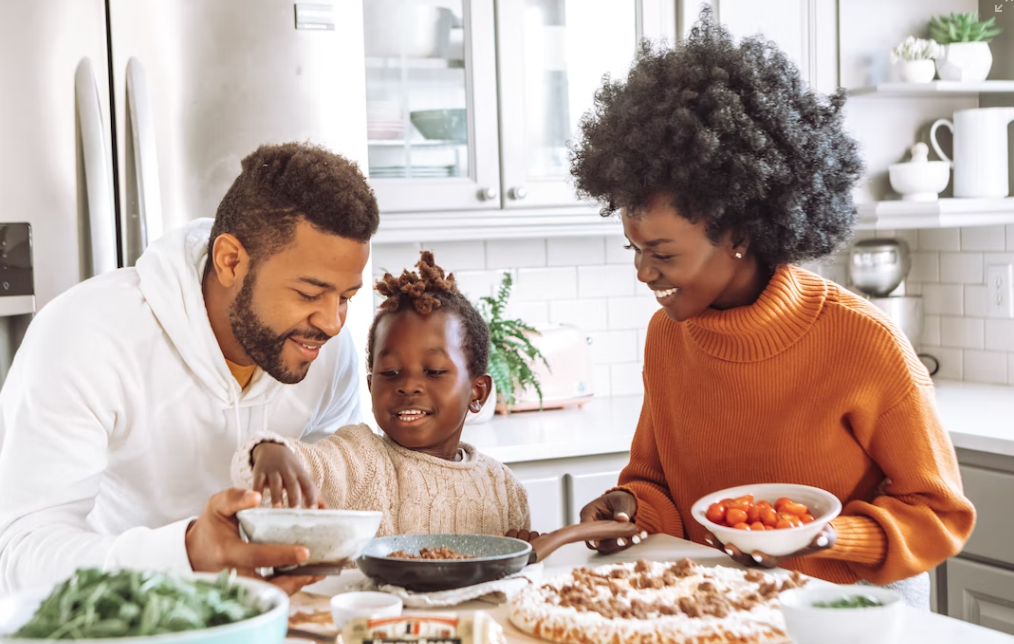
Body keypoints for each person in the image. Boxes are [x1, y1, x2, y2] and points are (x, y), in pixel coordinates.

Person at [574, 11, 975, 608]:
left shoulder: (862, 341)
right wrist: (629, 505)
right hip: (718, 601)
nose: (642, 271)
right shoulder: (669, 336)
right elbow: (655, 482)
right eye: (633, 248)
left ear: (737, 231)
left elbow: (938, 513)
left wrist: (825, 535)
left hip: (845, 607)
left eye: (660, 253)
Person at [0, 142, 378, 610]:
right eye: (309, 293)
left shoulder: (322, 350)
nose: (333, 322)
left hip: (196, 590)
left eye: (346, 298)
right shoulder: (88, 334)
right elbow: (21, 554)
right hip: (18, 595)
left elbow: (326, 485)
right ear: (231, 261)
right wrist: (188, 551)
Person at [235, 252, 532, 538]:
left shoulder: (504, 488)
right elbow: (298, 467)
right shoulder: (358, 458)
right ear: (370, 385)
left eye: (434, 371)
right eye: (390, 373)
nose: (408, 386)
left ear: (477, 393)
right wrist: (267, 451)